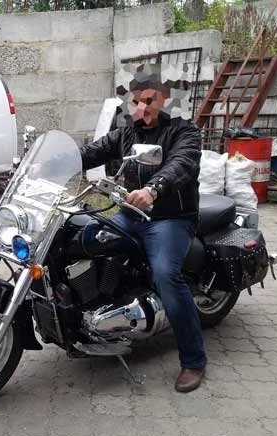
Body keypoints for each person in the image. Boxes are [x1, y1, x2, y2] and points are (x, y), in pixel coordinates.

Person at [79, 70, 206, 393]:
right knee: (84, 238)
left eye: (150, 100)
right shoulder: (126, 132)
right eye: (136, 101)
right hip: (130, 214)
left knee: (166, 274)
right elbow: (94, 151)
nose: (143, 108)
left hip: (169, 218)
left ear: (164, 99)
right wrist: (54, 161)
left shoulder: (184, 130)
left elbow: (181, 164)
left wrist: (153, 189)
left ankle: (193, 360)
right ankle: (96, 314)